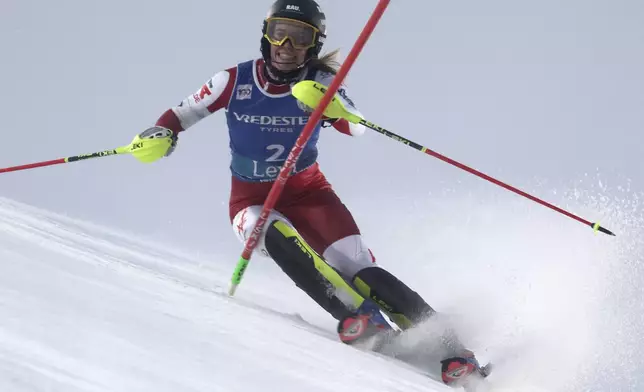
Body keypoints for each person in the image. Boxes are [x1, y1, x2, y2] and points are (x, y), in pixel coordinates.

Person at [136, 0, 489, 386]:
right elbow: (182, 113)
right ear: (265, 34)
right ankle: (357, 314)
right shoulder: (233, 81)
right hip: (251, 199)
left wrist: (330, 105)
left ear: (314, 44)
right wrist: (161, 133)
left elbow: (357, 127)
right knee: (265, 230)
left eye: (300, 36)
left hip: (311, 195)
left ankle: (455, 352)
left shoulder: (321, 83)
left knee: (357, 267)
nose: (286, 44)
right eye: (279, 32)